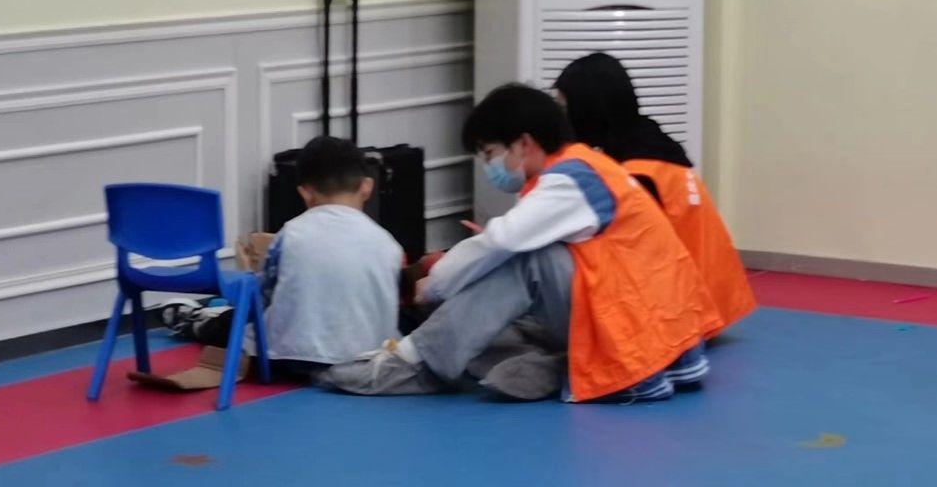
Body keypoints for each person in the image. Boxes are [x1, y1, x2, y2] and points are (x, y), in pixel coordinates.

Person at [316, 84, 722, 402]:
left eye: (491, 153)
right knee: (504, 275)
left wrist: (436, 281)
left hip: (638, 337)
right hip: (656, 329)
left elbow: (503, 240)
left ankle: (413, 363)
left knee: (523, 260)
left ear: (524, 143)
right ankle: (551, 366)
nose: (490, 166)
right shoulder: (585, 168)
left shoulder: (570, 181)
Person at [163, 136, 404, 381]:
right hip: (369, 358)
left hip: (288, 358)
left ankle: (196, 321)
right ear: (367, 187)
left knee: (237, 323)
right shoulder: (388, 243)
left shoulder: (292, 233)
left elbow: (262, 296)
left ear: (305, 193)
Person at [554, 52, 757, 336]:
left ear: (587, 108)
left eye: (565, 108)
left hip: (685, 314)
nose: (562, 120)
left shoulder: (638, 172)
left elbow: (632, 256)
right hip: (715, 304)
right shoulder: (653, 145)